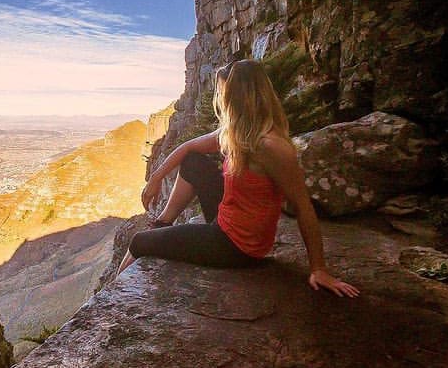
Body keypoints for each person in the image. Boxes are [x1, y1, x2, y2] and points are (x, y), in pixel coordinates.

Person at [116, 59, 359, 298]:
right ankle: (163, 222)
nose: (220, 100)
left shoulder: (271, 147)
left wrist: (318, 269)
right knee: (193, 162)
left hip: (236, 247)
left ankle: (115, 299)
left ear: (238, 97)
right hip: (226, 220)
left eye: (223, 93)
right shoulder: (237, 132)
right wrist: (156, 178)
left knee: (139, 242)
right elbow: (188, 148)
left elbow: (303, 206)